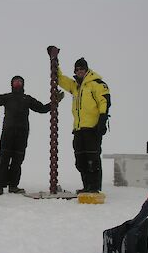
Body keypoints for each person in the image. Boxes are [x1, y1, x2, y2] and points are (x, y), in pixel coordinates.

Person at [49, 46, 111, 193]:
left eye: (82, 69)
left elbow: (104, 101)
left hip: (92, 128)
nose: (79, 72)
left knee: (92, 159)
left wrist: (102, 121)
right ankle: (86, 186)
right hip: (78, 129)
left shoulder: (96, 84)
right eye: (77, 70)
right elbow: (60, 79)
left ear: (87, 70)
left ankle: (94, 188)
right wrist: (54, 61)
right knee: (81, 160)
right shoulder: (75, 86)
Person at [0, 76, 64, 196]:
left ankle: (13, 186)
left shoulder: (27, 99)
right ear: (12, 84)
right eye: (15, 82)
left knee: (17, 160)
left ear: (23, 84)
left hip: (22, 134)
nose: (17, 84)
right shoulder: (7, 97)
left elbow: (43, 108)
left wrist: (54, 102)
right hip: (7, 133)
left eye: (20, 82)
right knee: (3, 160)